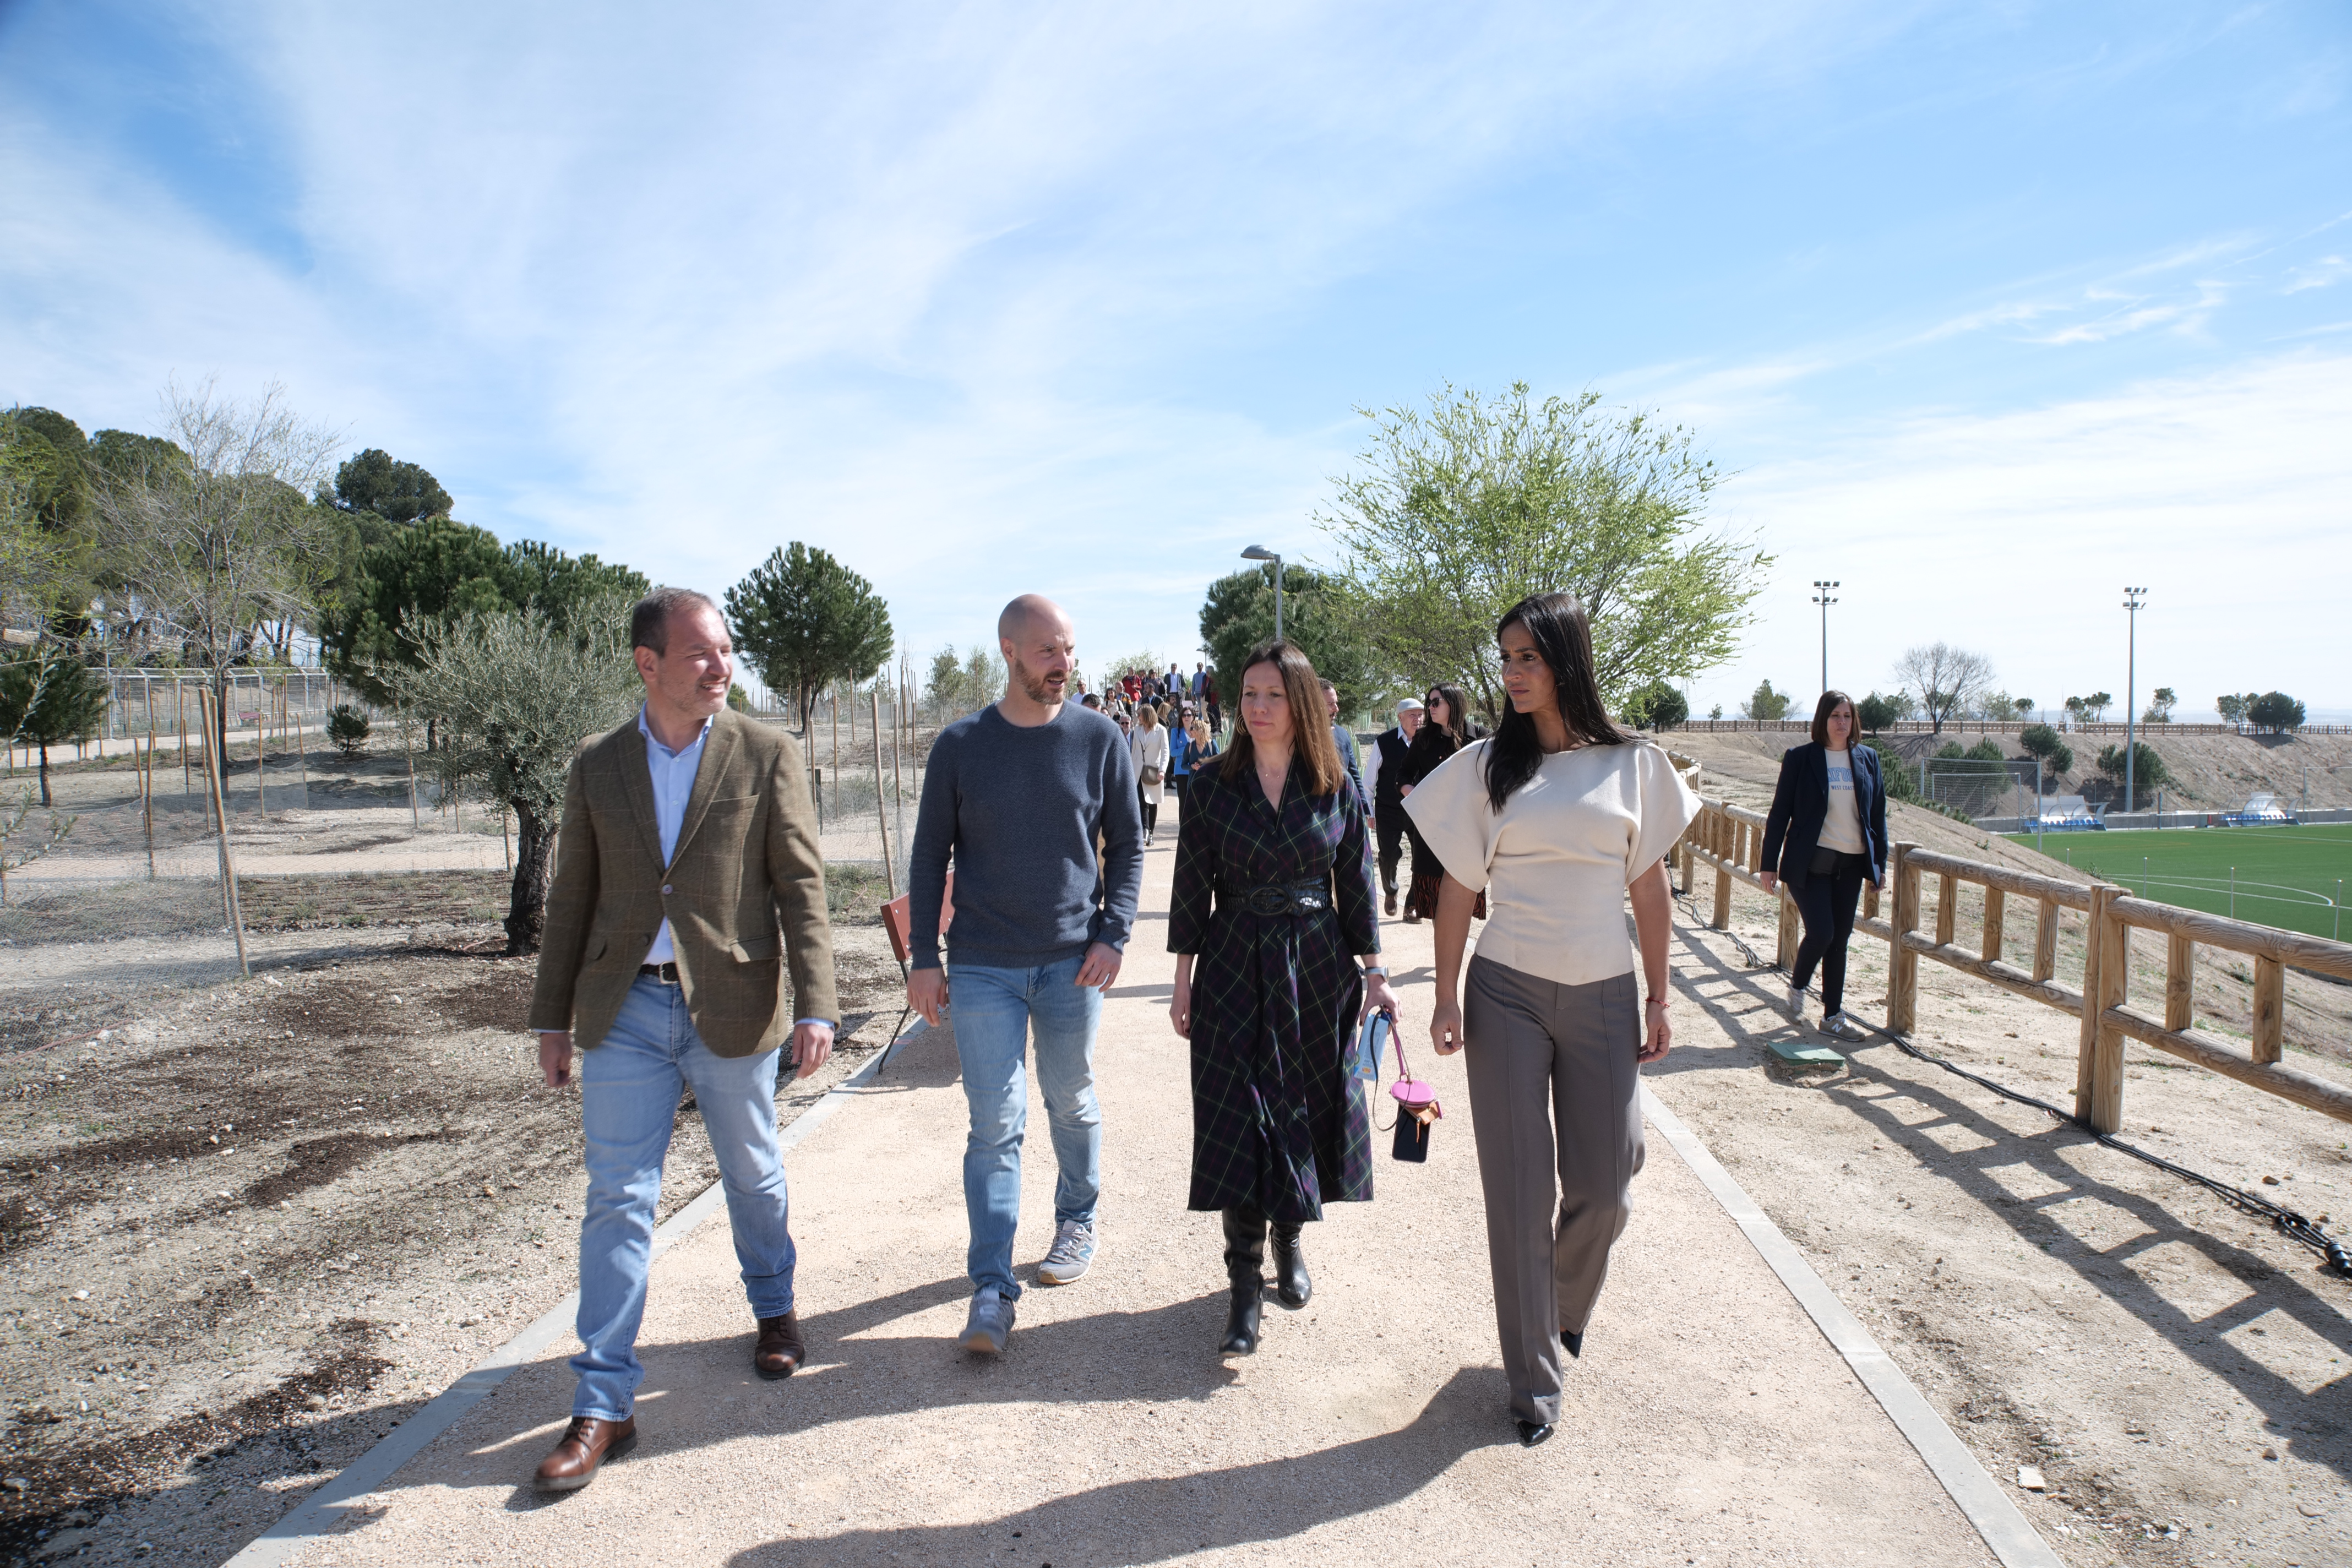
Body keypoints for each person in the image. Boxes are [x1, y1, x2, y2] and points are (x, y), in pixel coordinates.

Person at [526, 587, 837, 1492]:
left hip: (733, 1004)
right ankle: (604, 1401)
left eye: (727, 649)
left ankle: (774, 1308)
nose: (720, 665)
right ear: (647, 662)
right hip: (622, 1009)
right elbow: (570, 899)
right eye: (700, 651)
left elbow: (800, 886)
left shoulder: (766, 750)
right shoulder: (597, 765)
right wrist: (551, 1018)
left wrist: (817, 1002)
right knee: (619, 1197)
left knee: (752, 1170)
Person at [1407, 591, 1696, 1449]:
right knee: (1519, 1195)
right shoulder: (1486, 764)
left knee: (1608, 1183)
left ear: (1568, 659)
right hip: (1507, 996)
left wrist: (1658, 994)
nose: (1513, 673)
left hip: (1606, 992)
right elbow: (1459, 886)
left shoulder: (1635, 766)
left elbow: (1650, 889)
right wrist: (1447, 993)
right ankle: (1534, 1380)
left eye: (1529, 656)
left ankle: (1563, 1310)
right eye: (1506, 659)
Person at [907, 595, 1145, 1355]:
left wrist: (1114, 935)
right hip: (982, 967)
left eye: (1069, 649)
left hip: (1074, 963)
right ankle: (991, 1287)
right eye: (1047, 651)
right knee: (994, 1124)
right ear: (1008, 649)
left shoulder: (1099, 738)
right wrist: (922, 958)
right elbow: (926, 858)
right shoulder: (961, 745)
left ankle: (1077, 1218)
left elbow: (1129, 849)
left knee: (1070, 1099)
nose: (1063, 664)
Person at [1168, 639, 1397, 1357]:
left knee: (1299, 1107)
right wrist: (1182, 978)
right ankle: (1243, 1289)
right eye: (1248, 696)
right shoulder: (1208, 787)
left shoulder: (1333, 788)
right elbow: (1187, 891)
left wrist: (1375, 974)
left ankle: (1290, 1242)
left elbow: (1357, 882)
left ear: (1298, 704)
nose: (1257, 708)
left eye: (1271, 695)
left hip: (1315, 967)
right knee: (1238, 1117)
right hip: (1234, 960)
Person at [1760, 690, 1888, 1042]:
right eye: (1835, 716)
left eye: (1847, 716)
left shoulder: (1868, 759)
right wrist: (1768, 864)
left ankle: (1832, 1017)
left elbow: (1877, 815)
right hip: (1809, 864)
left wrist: (1879, 864)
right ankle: (1799, 986)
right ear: (1823, 720)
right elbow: (1779, 813)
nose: (1842, 723)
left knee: (1840, 941)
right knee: (1823, 932)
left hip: (1849, 865)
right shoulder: (1801, 759)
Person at [1397, 683, 1476, 924]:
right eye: (1429, 702)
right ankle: (1445, 959)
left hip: (1467, 831)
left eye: (1436, 702)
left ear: (1453, 704)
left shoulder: (1479, 737)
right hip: (1432, 831)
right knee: (1436, 902)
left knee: (1462, 897)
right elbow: (1403, 775)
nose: (1430, 708)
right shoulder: (1423, 739)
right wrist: (1418, 797)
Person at [1367, 698, 1424, 917]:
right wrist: (1369, 812)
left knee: (1421, 859)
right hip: (1388, 810)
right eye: (1412, 714)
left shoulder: (1429, 742)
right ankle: (1391, 891)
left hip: (1419, 811)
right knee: (1389, 856)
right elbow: (1368, 782)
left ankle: (1411, 905)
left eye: (1420, 714)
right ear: (1400, 717)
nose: (1418, 719)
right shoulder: (1384, 742)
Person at [1321, 678, 1368, 810]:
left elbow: (1354, 774)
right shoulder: (1301, 736)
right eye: (1330, 704)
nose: (1336, 708)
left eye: (1336, 703)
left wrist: (1363, 806)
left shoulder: (1343, 734)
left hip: (1342, 810)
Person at [1130, 700, 1171, 846]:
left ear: (1146, 715)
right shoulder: (1137, 729)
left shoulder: (1161, 730)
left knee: (1153, 803)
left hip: (1154, 772)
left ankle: (1151, 833)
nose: (1138, 717)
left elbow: (1166, 751)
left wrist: (1162, 770)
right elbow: (1134, 750)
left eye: (1139, 715)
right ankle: (1145, 830)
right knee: (1142, 802)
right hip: (1139, 771)